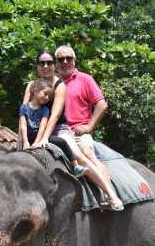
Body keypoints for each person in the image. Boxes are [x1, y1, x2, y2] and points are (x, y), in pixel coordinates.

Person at [23, 50, 124, 211]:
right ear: (37, 66)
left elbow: (55, 116)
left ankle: (111, 195)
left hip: (64, 130)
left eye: (50, 63)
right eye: (42, 63)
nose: (46, 66)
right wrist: (23, 140)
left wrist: (43, 139)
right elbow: (25, 113)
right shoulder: (32, 85)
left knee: (82, 155)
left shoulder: (64, 84)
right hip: (39, 130)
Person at [55, 45, 123, 211]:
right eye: (61, 59)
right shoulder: (52, 82)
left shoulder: (85, 79)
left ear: (74, 60)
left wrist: (89, 126)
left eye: (68, 58)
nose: (65, 62)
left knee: (88, 154)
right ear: (55, 62)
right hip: (59, 132)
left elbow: (101, 104)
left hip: (79, 131)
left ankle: (109, 194)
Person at [19, 79, 88, 178]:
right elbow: (23, 125)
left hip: (38, 136)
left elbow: (43, 127)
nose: (47, 98)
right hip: (28, 137)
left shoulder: (45, 109)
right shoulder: (24, 108)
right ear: (35, 90)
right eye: (45, 94)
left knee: (62, 142)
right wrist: (25, 141)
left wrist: (37, 142)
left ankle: (75, 166)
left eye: (49, 96)